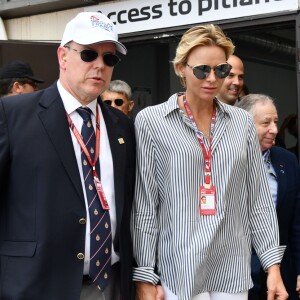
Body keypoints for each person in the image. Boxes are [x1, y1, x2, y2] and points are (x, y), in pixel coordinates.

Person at [131, 24, 288, 300]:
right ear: (181, 68)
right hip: (179, 271)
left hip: (232, 268)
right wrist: (145, 275)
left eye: (222, 70)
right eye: (202, 70)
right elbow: (145, 204)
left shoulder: (242, 122)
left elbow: (258, 199)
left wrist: (272, 266)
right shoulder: (151, 121)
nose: (212, 78)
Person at [0, 11, 136, 300]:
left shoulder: (120, 124)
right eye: (89, 54)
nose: (100, 65)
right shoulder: (13, 115)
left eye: (109, 58)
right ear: (63, 56)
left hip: (108, 285)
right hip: (35, 287)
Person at [236, 94, 300, 300]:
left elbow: (296, 223)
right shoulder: (225, 161)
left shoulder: (287, 161)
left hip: (283, 272)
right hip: (238, 273)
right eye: (266, 123)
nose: (273, 129)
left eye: (276, 121)